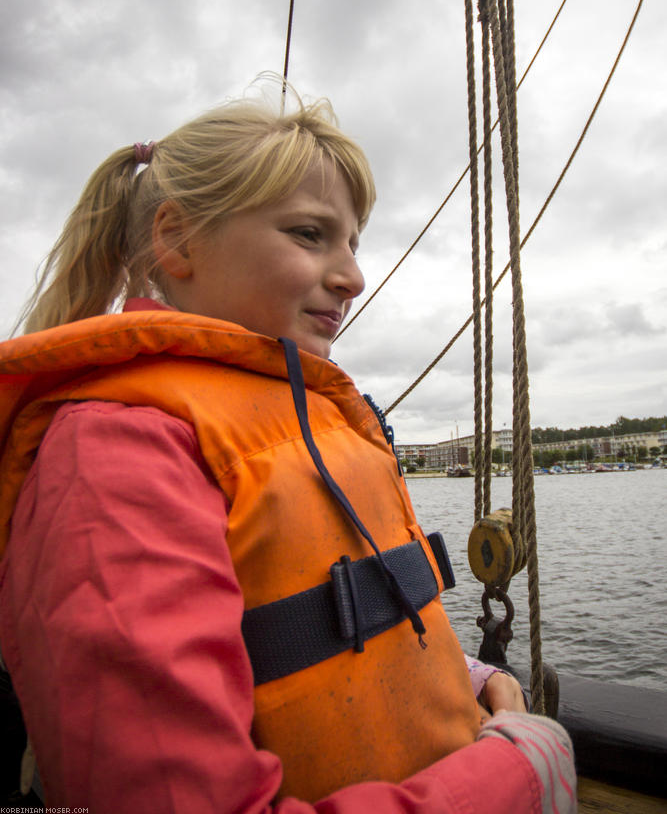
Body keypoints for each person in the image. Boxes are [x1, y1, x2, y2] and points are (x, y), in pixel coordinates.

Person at [0, 82, 576, 812]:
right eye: (309, 234)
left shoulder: (299, 415)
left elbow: (304, 625)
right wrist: (515, 778)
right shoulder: (116, 449)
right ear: (176, 240)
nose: (353, 276)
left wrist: (451, 679)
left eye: (352, 243)